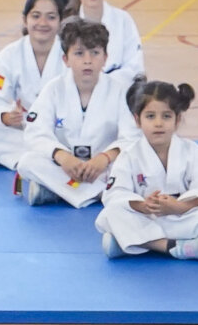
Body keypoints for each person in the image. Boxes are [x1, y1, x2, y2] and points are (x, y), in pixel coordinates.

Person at [96, 80, 198, 260]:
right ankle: (172, 247)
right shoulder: (129, 155)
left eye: (166, 116)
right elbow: (114, 194)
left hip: (179, 218)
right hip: (145, 216)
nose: (158, 123)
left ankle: (131, 242)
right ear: (137, 120)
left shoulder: (191, 151)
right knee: (109, 214)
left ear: (177, 119)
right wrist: (143, 206)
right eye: (150, 116)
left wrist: (178, 207)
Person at [17, 17, 129, 207]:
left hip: (104, 168)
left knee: (130, 168)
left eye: (95, 53)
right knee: (28, 162)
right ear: (66, 59)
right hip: (66, 167)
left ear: (105, 58)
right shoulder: (53, 89)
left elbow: (132, 137)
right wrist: (62, 156)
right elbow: (36, 132)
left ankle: (58, 192)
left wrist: (105, 157)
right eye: (79, 53)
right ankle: (98, 195)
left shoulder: (121, 90)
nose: (87, 61)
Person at [0, 0, 65, 170]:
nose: (43, 23)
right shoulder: (9, 55)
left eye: (51, 17)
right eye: (36, 16)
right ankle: (38, 161)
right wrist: (4, 117)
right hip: (23, 128)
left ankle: (11, 158)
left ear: (60, 22)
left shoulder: (70, 54)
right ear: (25, 20)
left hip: (60, 131)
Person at [64, 0, 144, 81]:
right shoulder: (68, 24)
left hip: (118, 87)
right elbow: (62, 66)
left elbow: (135, 63)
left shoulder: (123, 19)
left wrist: (107, 82)